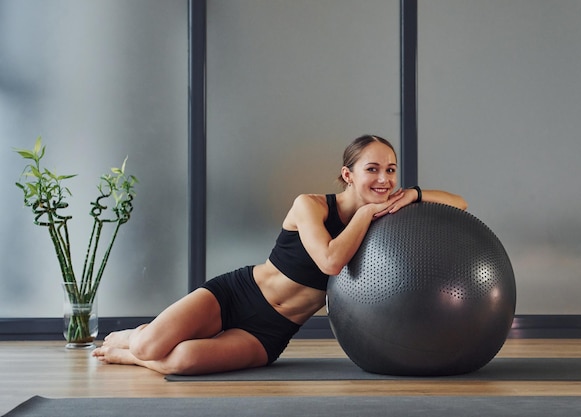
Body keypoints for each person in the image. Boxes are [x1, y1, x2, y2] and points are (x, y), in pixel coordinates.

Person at [92, 134, 467, 375]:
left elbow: (460, 205)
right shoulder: (311, 205)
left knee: (184, 361)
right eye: (372, 169)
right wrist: (368, 213)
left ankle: (131, 356)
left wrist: (415, 195)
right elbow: (330, 261)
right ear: (348, 174)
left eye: (391, 170)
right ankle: (135, 339)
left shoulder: (385, 214)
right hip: (237, 294)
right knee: (151, 345)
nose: (384, 180)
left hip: (272, 331)